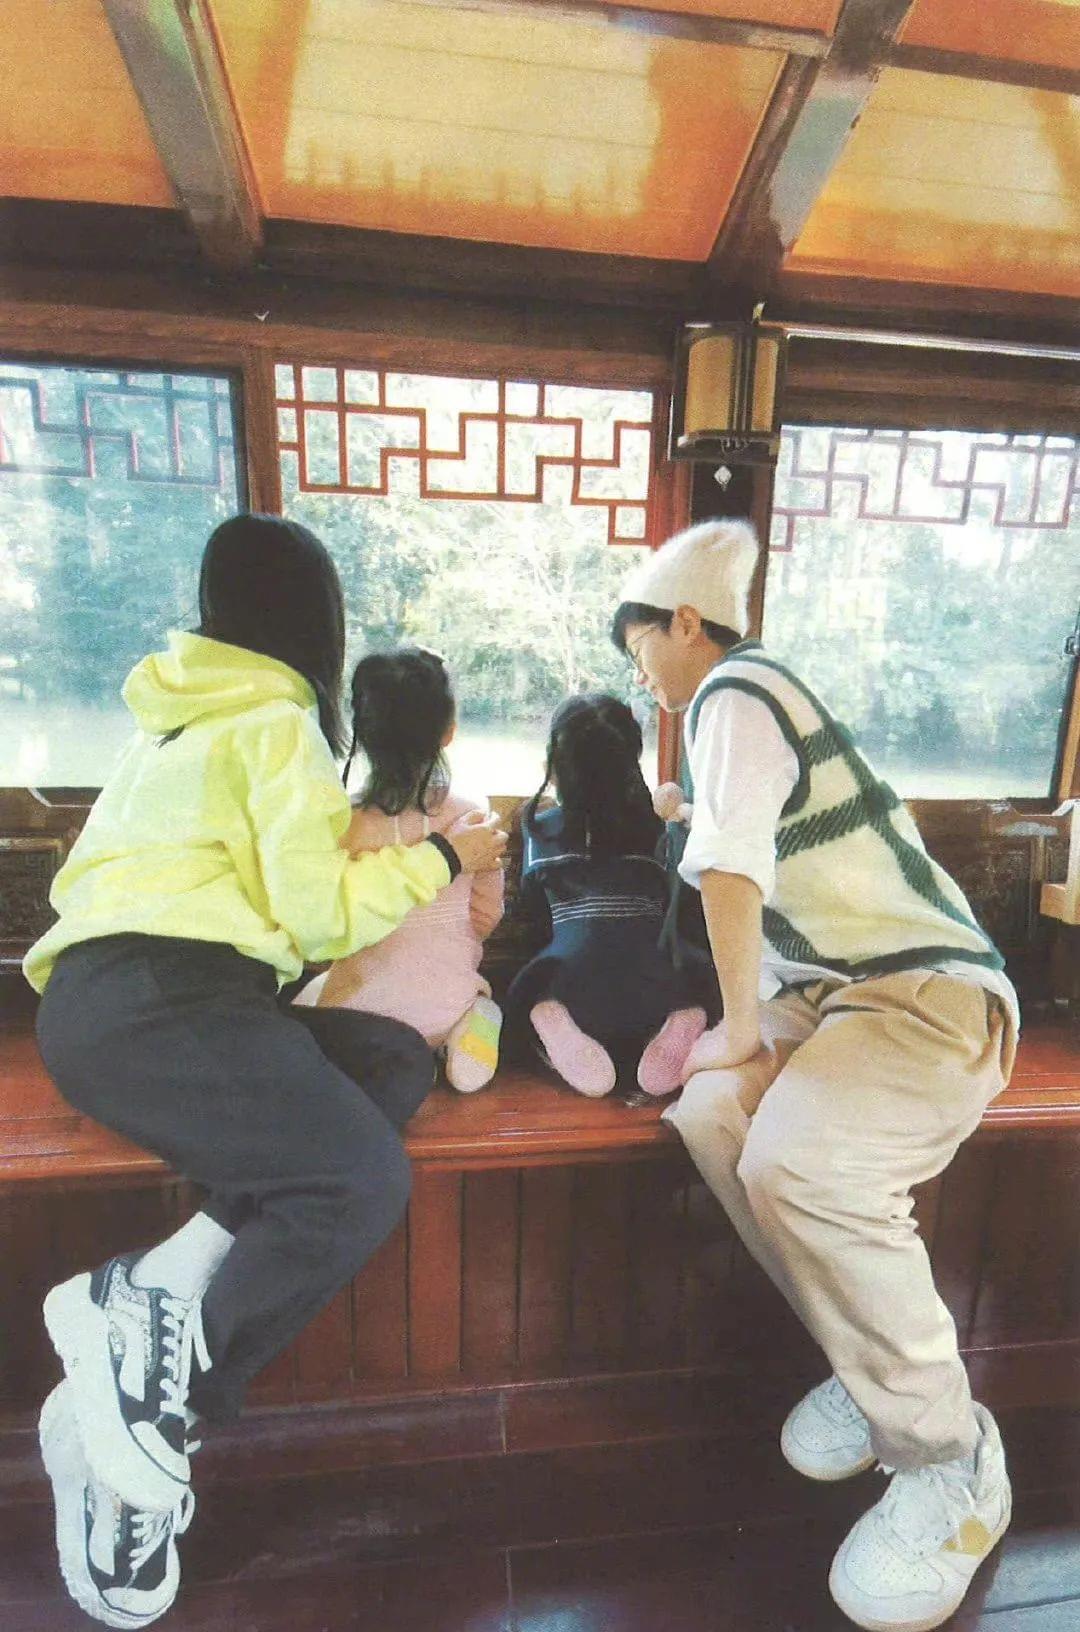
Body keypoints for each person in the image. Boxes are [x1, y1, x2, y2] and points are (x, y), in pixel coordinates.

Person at [23, 514, 506, 1628]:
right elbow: (318, 916)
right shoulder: (278, 722)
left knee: (386, 1060)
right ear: (315, 624)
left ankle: (139, 1333)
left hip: (124, 1004)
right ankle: (160, 1414)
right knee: (360, 1180)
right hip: (165, 998)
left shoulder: (171, 725)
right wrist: (444, 856)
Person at [612, 517, 1019, 1632]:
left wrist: (740, 1025)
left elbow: (729, 872)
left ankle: (950, 1457)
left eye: (638, 647)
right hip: (847, 997)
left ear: (684, 623)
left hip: (927, 992)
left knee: (797, 1163)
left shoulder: (735, 690)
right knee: (711, 1114)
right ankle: (865, 1360)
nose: (640, 673)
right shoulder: (742, 705)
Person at [294, 647, 504, 1091]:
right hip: (447, 1000)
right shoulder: (473, 818)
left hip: (361, 1019)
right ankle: (468, 1028)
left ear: (363, 733)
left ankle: (400, 1055)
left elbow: (321, 936)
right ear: (449, 731)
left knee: (313, 1001)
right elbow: (487, 915)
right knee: (470, 995)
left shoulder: (342, 824)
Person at [505, 693, 717, 1097]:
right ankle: (682, 1017)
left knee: (535, 996)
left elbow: (535, 910)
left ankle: (554, 1020)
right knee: (692, 983)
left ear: (556, 765)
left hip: (571, 979)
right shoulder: (658, 829)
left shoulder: (542, 829)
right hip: (657, 981)